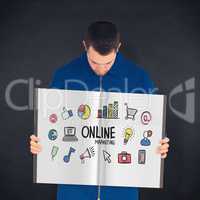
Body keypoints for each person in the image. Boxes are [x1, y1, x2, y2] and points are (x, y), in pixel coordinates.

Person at [30, 21, 170, 200]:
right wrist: (39, 141)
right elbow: (50, 122)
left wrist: (161, 141)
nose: (101, 69)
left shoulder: (138, 77)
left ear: (118, 48)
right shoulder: (64, 75)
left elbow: (153, 122)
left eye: (108, 63)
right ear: (84, 46)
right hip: (74, 186)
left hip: (122, 187)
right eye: (94, 62)